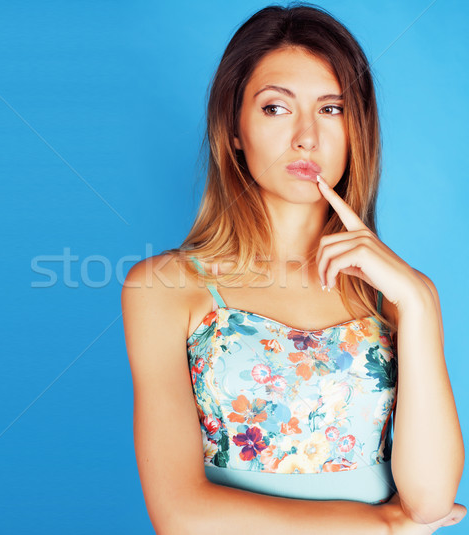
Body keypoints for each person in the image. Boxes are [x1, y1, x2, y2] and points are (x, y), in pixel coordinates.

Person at [121, 3, 466, 533]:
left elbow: (429, 501)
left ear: (357, 131)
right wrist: (381, 528)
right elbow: (181, 516)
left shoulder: (390, 294)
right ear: (234, 129)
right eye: (276, 109)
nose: (306, 137)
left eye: (331, 109)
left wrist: (420, 302)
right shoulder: (162, 288)